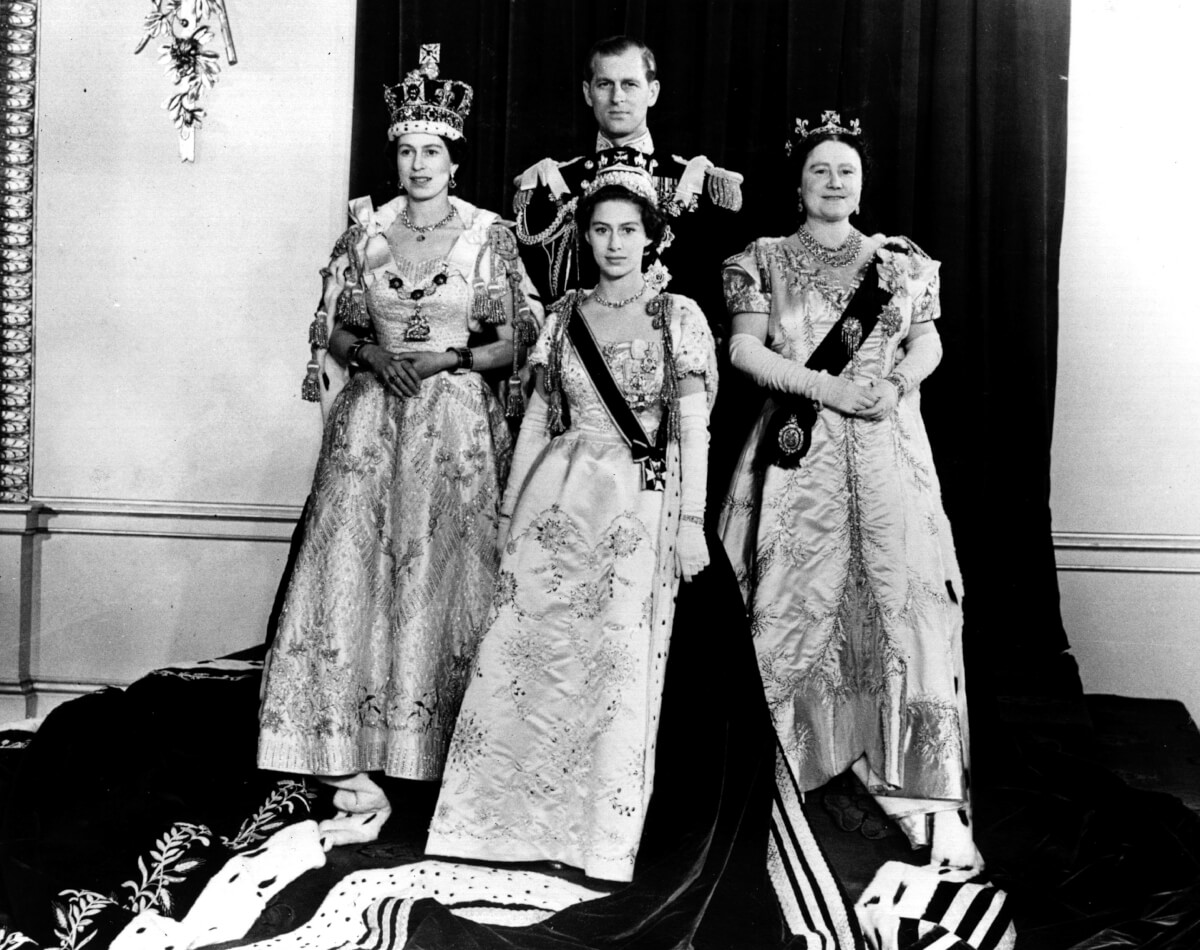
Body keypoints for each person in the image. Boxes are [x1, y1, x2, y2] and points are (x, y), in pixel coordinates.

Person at [257, 43, 541, 850]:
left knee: (448, 574)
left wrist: (449, 358)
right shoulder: (365, 233)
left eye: (433, 151)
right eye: (408, 150)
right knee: (356, 573)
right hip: (373, 426)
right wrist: (371, 355)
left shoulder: (486, 236)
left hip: (452, 425)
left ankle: (450, 757)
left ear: (455, 159)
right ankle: (352, 754)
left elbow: (519, 336)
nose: (419, 164)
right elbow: (334, 326)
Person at [426, 153, 718, 883]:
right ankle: (497, 823)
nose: (614, 244)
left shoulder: (677, 317)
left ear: (651, 236)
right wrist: (507, 509)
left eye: (628, 230)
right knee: (529, 653)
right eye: (601, 230)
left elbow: (693, 427)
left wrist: (689, 522)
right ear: (584, 236)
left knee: (611, 664)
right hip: (556, 496)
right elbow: (535, 422)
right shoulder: (561, 318)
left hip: (637, 505)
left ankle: (595, 837)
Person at [718, 111, 983, 877]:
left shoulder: (900, 262)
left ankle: (923, 795)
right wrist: (825, 387)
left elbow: (927, 340)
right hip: (800, 451)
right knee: (794, 607)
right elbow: (743, 348)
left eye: (846, 171)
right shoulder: (761, 259)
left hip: (887, 449)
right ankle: (790, 774)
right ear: (798, 185)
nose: (834, 182)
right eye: (820, 170)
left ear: (861, 185)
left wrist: (896, 384)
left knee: (904, 608)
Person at [512, 35, 744, 303]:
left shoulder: (697, 185)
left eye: (630, 84)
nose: (617, 97)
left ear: (652, 92)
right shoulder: (551, 184)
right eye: (605, 84)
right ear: (588, 93)